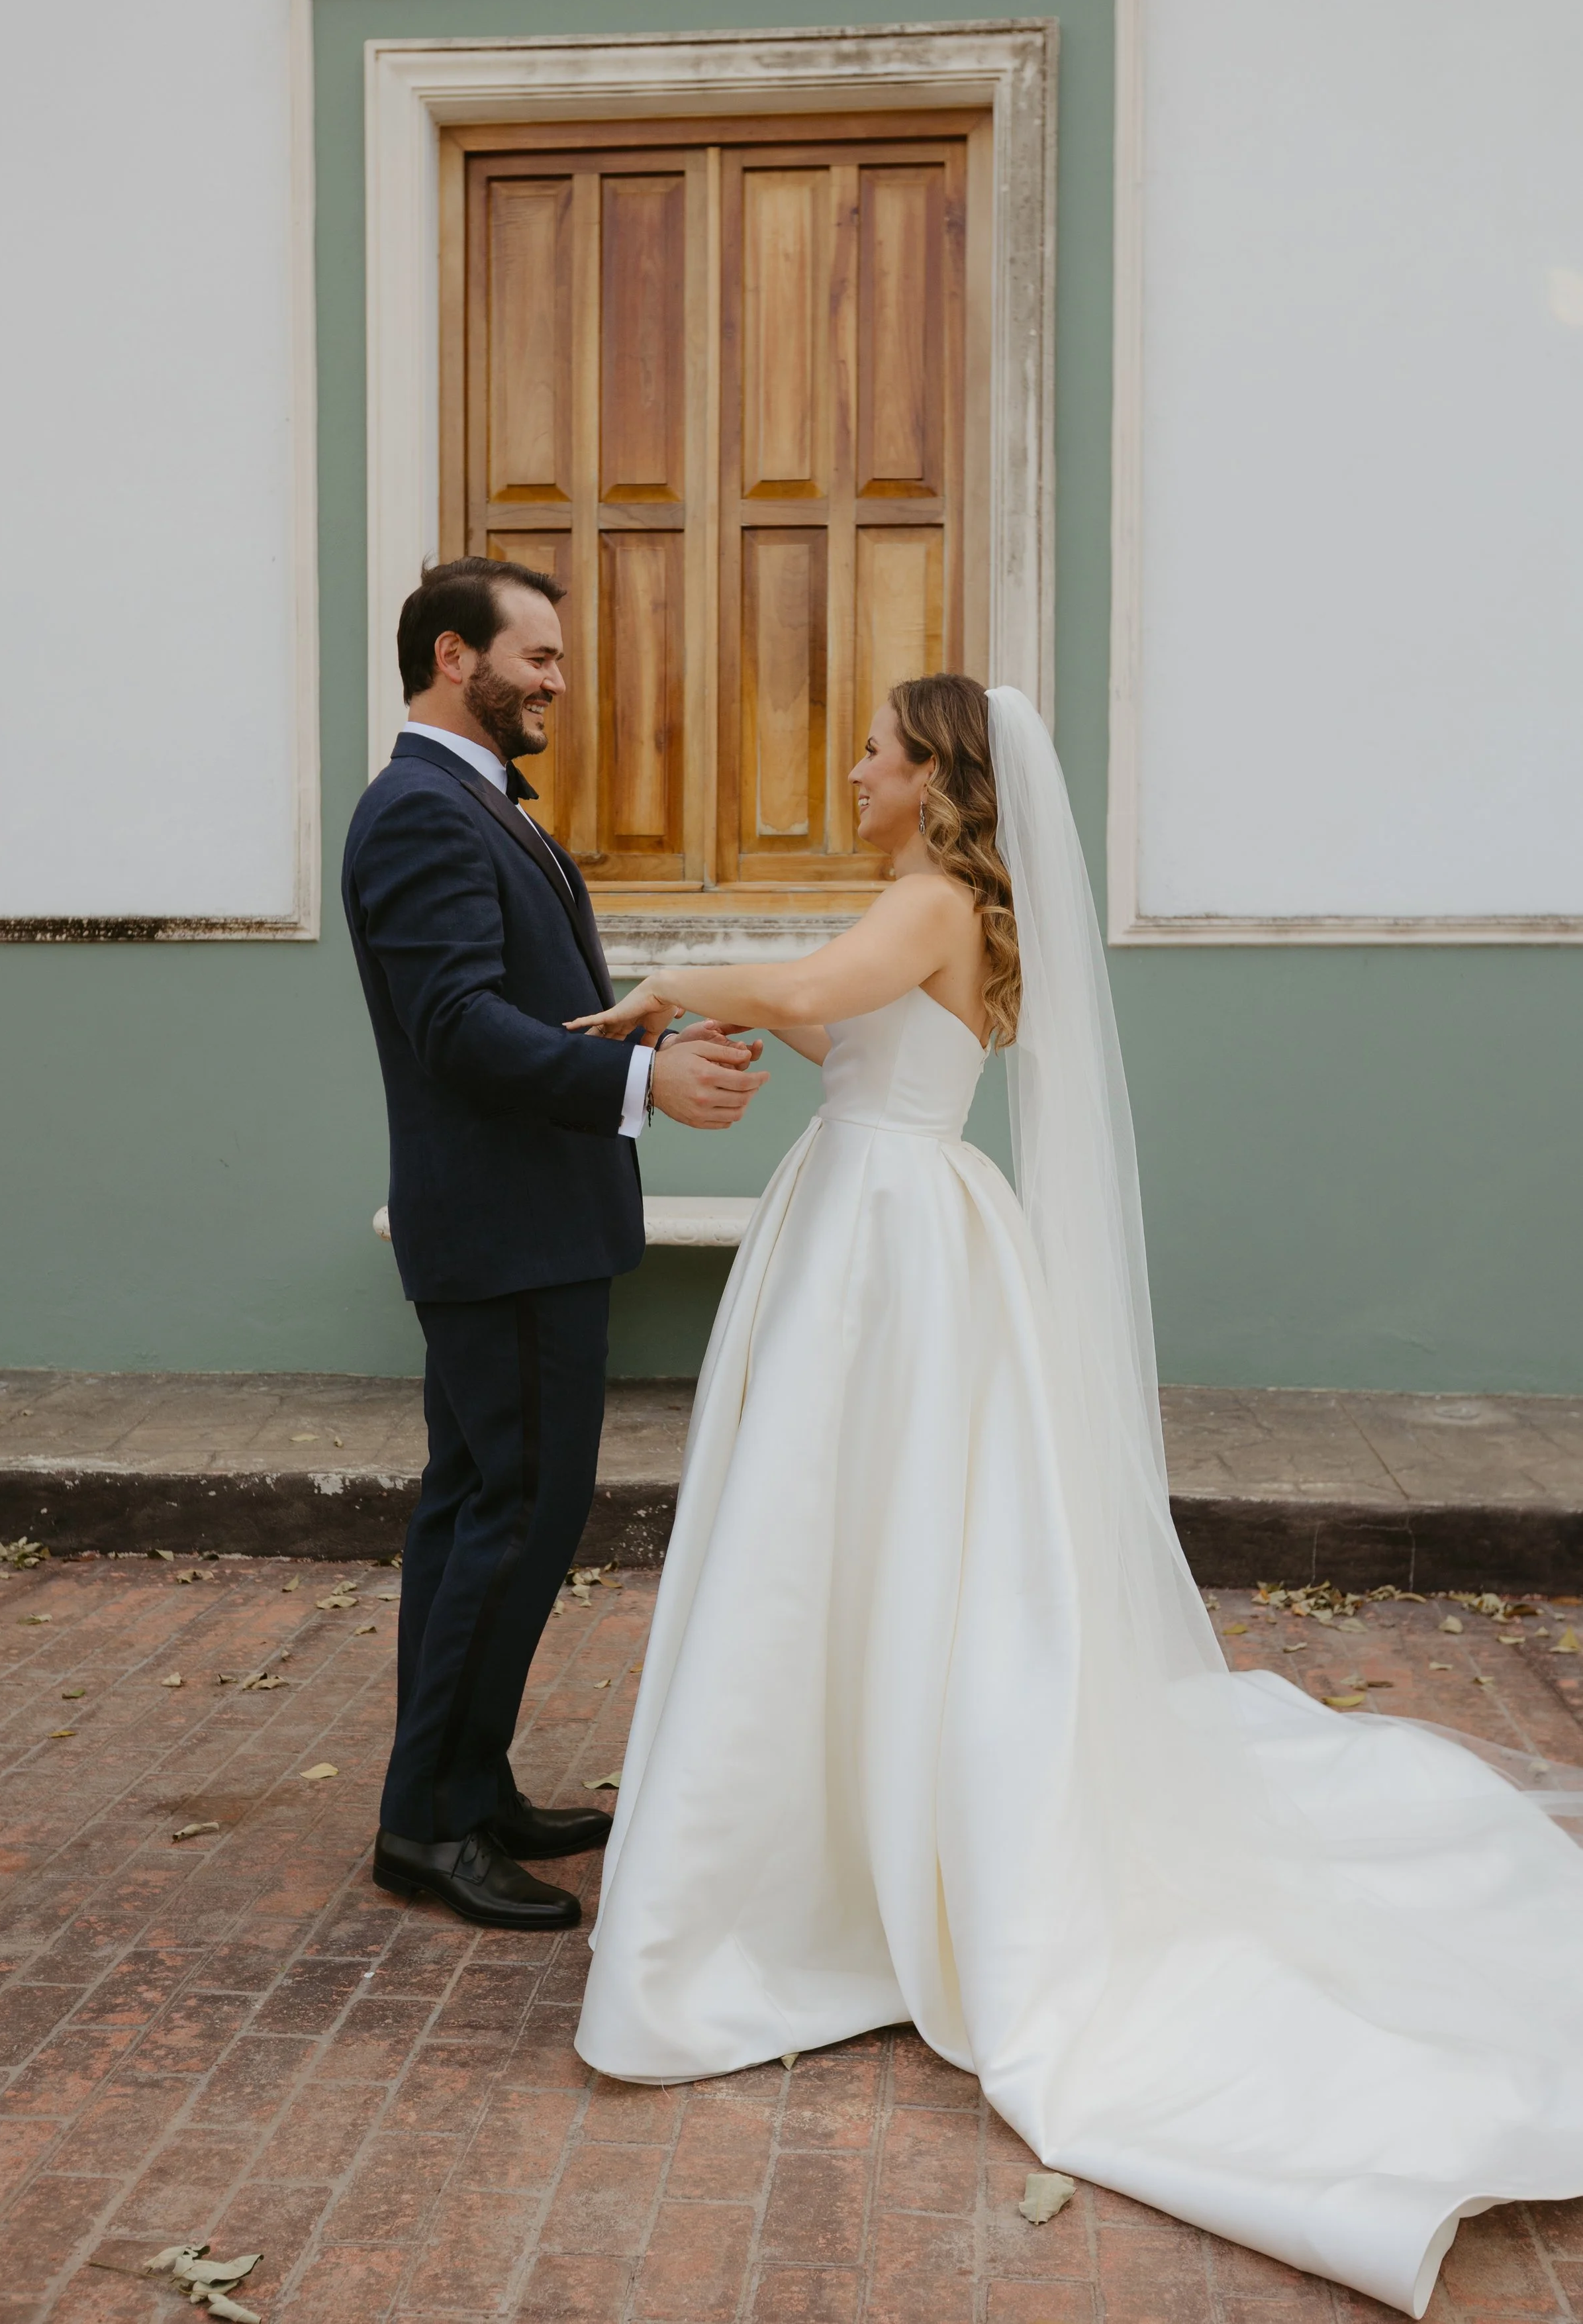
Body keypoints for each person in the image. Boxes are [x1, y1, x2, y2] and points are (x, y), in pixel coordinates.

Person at [568, 671, 1583, 2316]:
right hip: (876, 1206)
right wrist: (750, 1019)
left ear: (929, 782)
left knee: (856, 1526)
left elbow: (827, 978)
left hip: (887, 1240)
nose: (848, 769)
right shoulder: (933, 910)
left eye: (873, 752)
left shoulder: (921, 900)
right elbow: (843, 1025)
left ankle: (839, 1847)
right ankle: (841, 1809)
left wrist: (669, 974)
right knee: (856, 1536)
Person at [342, 556, 766, 1934]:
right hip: (504, 1231)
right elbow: (454, 1026)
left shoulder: (471, 805)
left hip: (521, 1223)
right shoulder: (419, 812)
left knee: (476, 1509)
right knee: (515, 1517)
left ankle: (466, 1778)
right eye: (538, 657)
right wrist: (642, 1093)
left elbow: (514, 1003)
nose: (558, 685)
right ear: (454, 656)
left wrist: (630, 1031)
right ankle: (427, 1824)